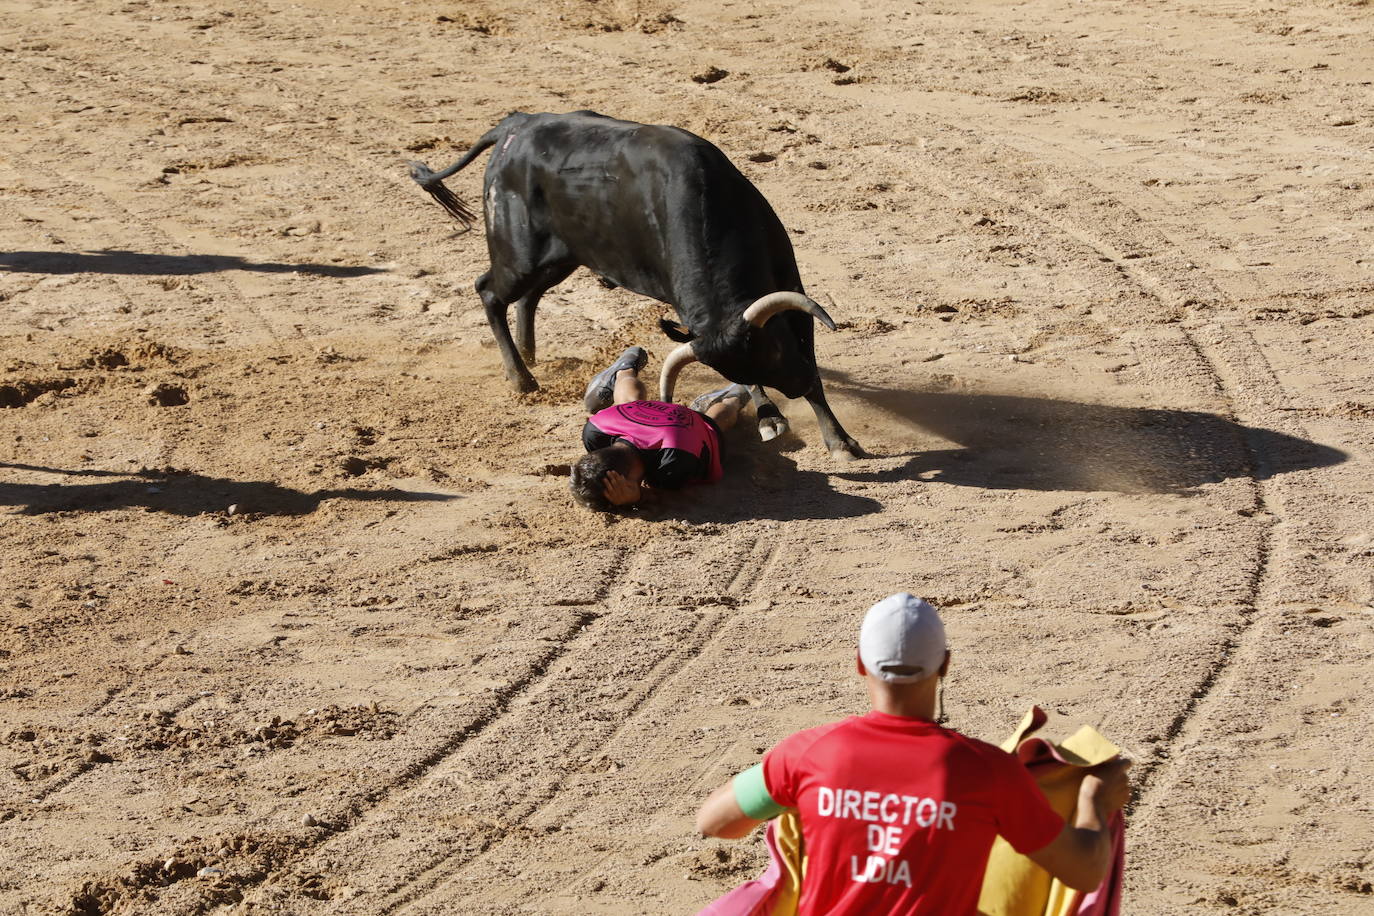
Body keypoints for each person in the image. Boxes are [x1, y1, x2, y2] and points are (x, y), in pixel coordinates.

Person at [694, 593, 1132, 915]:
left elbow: (713, 822)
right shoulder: (990, 773)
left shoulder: (808, 753)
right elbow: (1083, 872)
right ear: (945, 664)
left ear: (860, 663)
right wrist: (1095, 799)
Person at [570, 346, 750, 511]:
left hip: (689, 427)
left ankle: (734, 398)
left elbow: (670, 498)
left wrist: (637, 496)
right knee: (631, 403)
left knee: (712, 425)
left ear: (624, 482)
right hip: (636, 417)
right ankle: (624, 371)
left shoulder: (672, 465)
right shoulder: (594, 431)